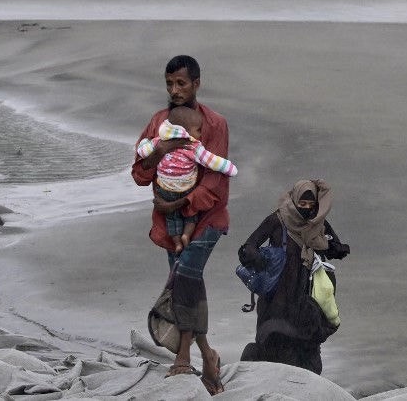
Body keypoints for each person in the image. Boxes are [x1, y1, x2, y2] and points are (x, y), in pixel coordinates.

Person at [132, 55, 229, 395]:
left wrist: (178, 202)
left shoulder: (214, 124)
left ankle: (185, 356)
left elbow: (215, 182)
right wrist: (160, 152)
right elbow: (140, 174)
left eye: (181, 83)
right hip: (170, 221)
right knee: (185, 281)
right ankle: (209, 355)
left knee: (186, 277)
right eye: (170, 84)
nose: (175, 90)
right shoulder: (159, 124)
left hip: (208, 217)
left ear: (197, 84)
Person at [237, 179, 350, 374]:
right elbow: (248, 247)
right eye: (302, 205)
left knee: (306, 349)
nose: (306, 209)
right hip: (276, 297)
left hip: (304, 298)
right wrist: (263, 262)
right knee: (271, 342)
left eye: (311, 205)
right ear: (294, 201)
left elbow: (336, 250)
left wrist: (328, 246)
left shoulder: (318, 224)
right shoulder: (277, 220)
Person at [136, 105, 238, 253]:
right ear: (185, 132)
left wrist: (145, 142)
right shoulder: (192, 147)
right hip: (185, 188)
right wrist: (230, 168)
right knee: (191, 214)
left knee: (171, 218)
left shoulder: (159, 142)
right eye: (197, 130)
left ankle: (177, 242)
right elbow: (211, 161)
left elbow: (143, 151)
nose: (200, 133)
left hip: (164, 188)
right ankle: (186, 235)